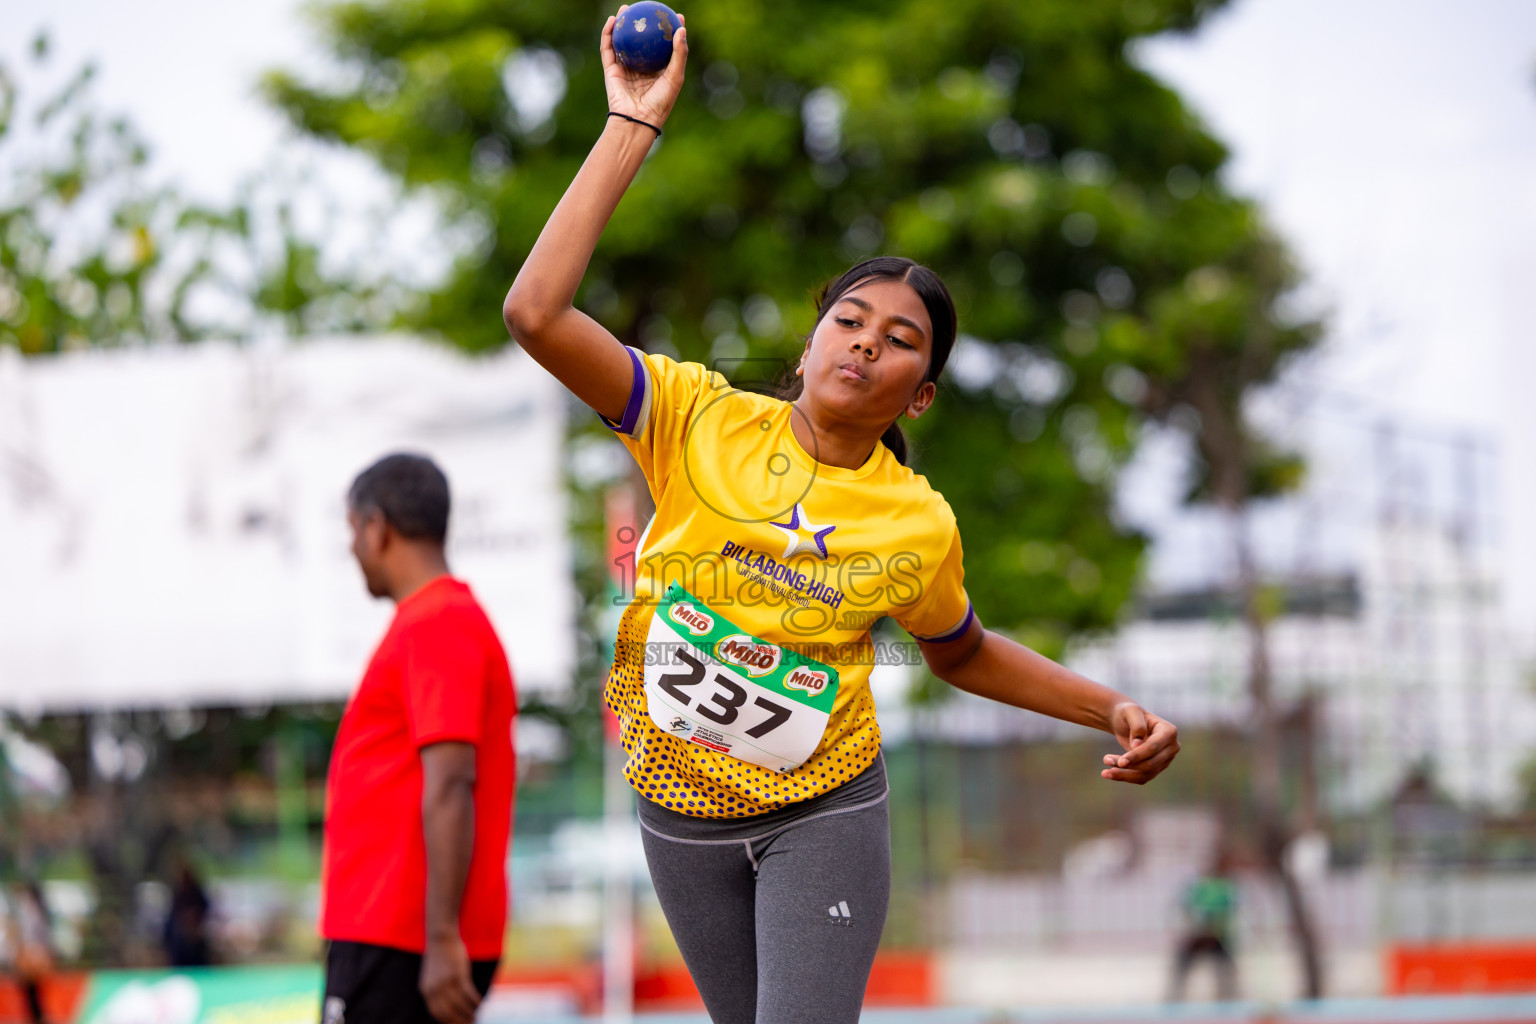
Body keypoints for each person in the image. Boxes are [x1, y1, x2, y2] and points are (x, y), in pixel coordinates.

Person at [501, 12, 1180, 1023]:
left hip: (824, 809)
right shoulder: (695, 416)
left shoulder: (916, 522)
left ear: (921, 395)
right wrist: (629, 128)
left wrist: (1110, 707)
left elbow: (962, 652)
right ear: (810, 343)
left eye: (900, 340)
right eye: (849, 320)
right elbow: (535, 313)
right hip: (676, 806)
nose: (865, 343)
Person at [319, 454, 517, 1024]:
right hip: (397, 935)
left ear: (376, 527)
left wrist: (442, 936)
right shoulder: (432, 620)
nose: (353, 548)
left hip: (403, 939)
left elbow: (452, 783)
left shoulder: (439, 621)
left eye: (353, 530)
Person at [1168, 853, 1239, 1003]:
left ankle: (1228, 998)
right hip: (1202, 934)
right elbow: (1188, 908)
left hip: (1216, 934)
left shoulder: (1223, 887)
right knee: (1183, 968)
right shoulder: (1205, 886)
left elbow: (1229, 910)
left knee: (1225, 971)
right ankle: (1174, 998)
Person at [10, 882, 53, 1024]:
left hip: (32, 952)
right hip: (29, 953)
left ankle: (37, 1015)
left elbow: (34, 934)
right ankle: (35, 1015)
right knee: (29, 988)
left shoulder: (31, 912)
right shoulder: (28, 912)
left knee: (34, 987)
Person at [162, 860, 213, 967]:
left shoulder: (196, 892)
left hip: (196, 939)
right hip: (180, 940)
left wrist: (194, 921)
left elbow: (205, 909)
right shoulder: (178, 892)